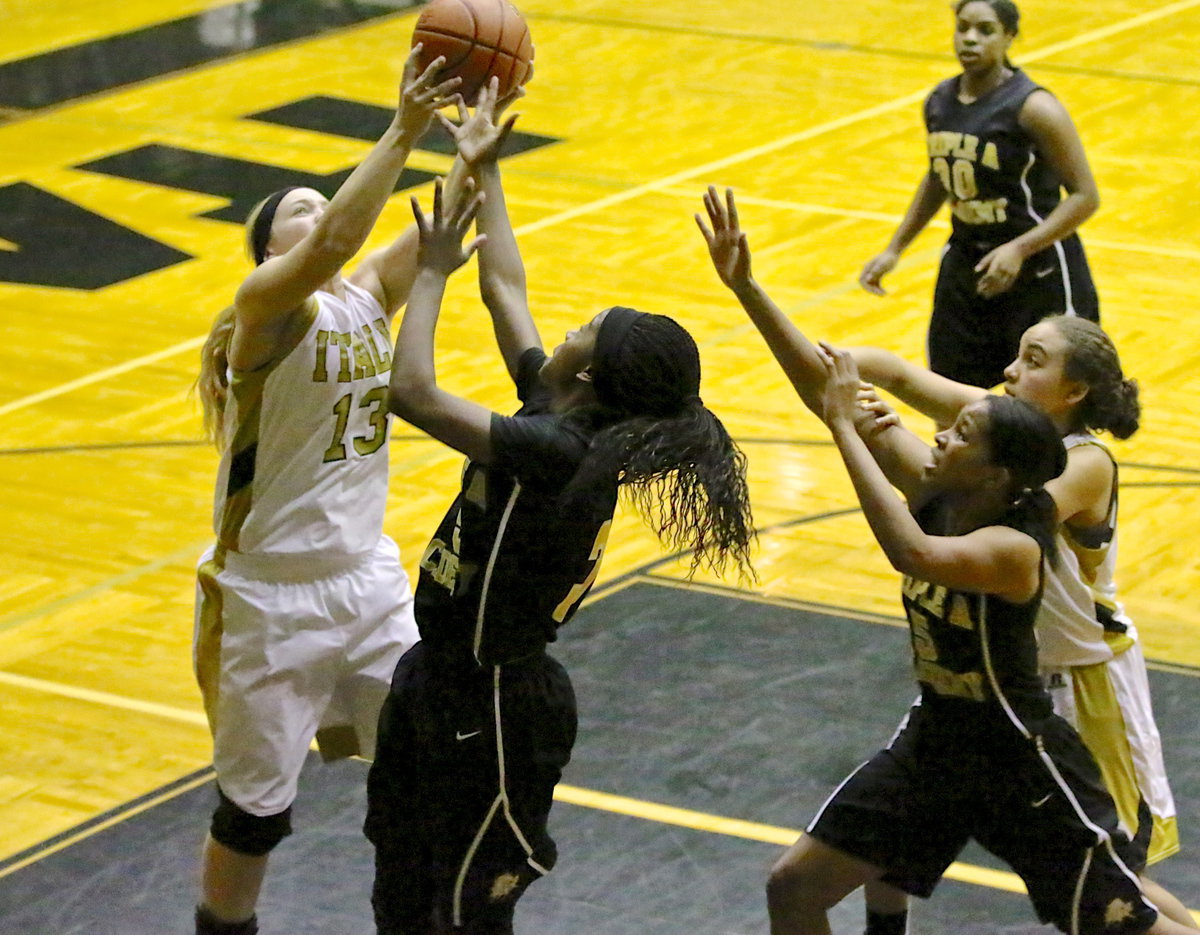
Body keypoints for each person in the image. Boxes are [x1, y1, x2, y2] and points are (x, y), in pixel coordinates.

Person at [697, 187, 1194, 932]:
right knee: (800, 882)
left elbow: (917, 545)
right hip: (949, 726)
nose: (941, 432)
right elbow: (857, 392)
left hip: (1064, 695)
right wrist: (747, 288)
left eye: (959, 430)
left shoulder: (1038, 507)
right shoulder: (963, 477)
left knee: (1124, 901)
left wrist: (853, 428)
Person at [363, 83, 755, 935]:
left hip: (495, 704)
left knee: (465, 914)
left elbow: (412, 391)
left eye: (587, 324)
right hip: (439, 680)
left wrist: (429, 271)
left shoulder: (558, 453)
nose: (569, 323)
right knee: (400, 893)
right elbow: (505, 282)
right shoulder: (560, 414)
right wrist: (486, 166)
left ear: (589, 372)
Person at [191, 47, 462, 935]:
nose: (320, 216)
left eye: (323, 202)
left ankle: (415, 918)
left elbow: (444, 226)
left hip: (367, 580)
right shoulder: (267, 310)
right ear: (273, 250)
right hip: (267, 599)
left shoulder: (363, 296)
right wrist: (403, 126)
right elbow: (341, 238)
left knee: (424, 771)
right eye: (298, 215)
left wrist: (479, 143)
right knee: (256, 816)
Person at [858, 0, 1100, 389]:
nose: (970, 39)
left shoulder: (1035, 108)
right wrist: (894, 248)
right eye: (963, 27)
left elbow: (1085, 197)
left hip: (1038, 269)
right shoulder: (939, 101)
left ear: (1009, 37)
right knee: (949, 386)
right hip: (967, 262)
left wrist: (1019, 250)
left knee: (1041, 399)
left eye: (985, 30)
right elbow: (940, 174)